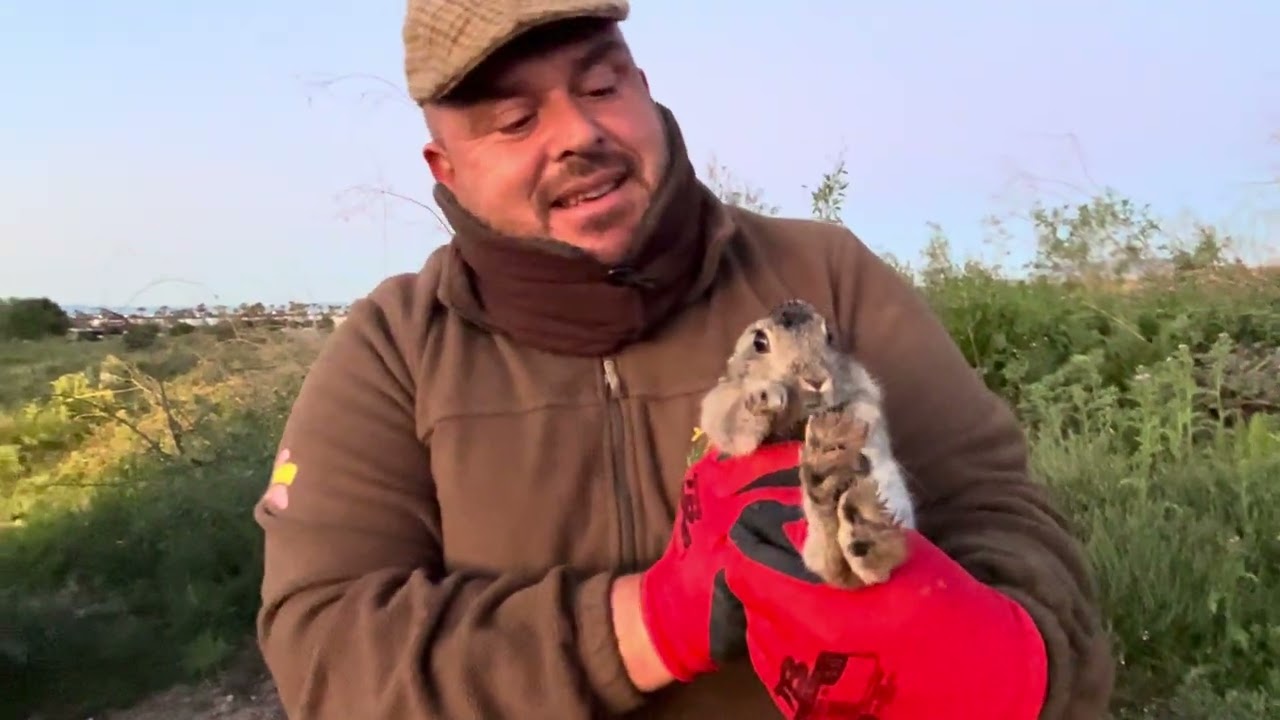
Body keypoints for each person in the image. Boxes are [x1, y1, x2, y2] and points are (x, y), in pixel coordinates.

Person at [252, 0, 1117, 717]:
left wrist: (998, 654)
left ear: (644, 87)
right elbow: (325, 649)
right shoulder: (394, 348)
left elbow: (1002, 512)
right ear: (447, 167)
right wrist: (653, 620)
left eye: (601, 83)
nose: (579, 133)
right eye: (515, 120)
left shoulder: (824, 277)